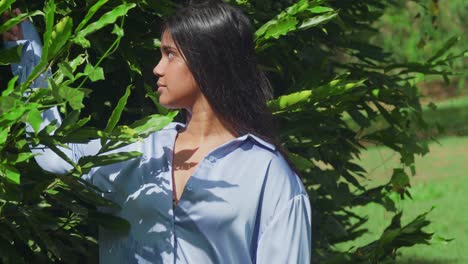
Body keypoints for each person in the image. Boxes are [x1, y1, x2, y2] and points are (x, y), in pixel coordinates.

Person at [3, 1, 311, 263]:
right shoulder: (138, 151)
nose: (157, 68)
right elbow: (54, 153)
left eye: (170, 54)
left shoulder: (268, 175)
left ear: (208, 61)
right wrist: (26, 51)